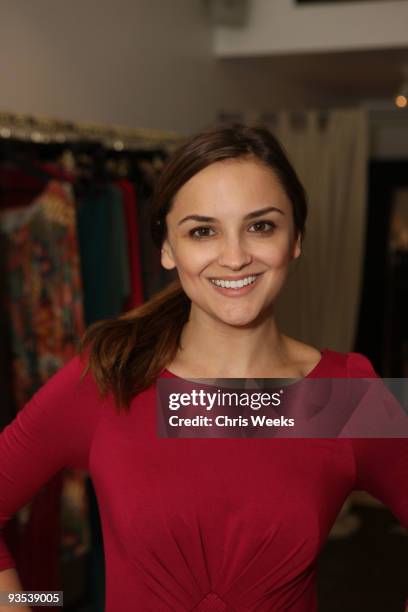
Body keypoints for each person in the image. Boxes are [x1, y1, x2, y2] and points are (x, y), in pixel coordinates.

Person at [0, 122, 407, 612]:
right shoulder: (111, 378)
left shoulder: (343, 394)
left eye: (261, 226)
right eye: (202, 231)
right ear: (169, 249)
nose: (234, 257)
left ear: (295, 238)